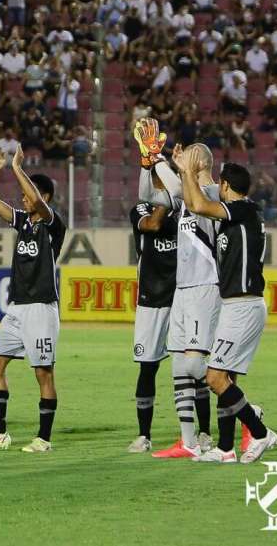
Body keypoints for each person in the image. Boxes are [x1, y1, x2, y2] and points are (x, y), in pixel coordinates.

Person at [172, 156, 277, 463]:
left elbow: (200, 206)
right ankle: (225, 448)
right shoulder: (239, 214)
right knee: (225, 378)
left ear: (227, 186)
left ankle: (259, 430)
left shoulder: (243, 209)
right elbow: (196, 203)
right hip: (237, 304)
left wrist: (189, 171)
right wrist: (188, 172)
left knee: (215, 378)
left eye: (220, 183)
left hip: (243, 306)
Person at [0, 145, 66, 453]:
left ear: (45, 197)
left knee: (43, 372)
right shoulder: (23, 221)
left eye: (29, 194)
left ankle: (44, 438)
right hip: (17, 308)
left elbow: (36, 199)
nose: (23, 199)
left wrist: (17, 168)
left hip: (41, 308)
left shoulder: (53, 224)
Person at [138, 120, 219, 459]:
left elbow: (183, 189)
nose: (181, 158)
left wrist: (159, 158)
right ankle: (187, 441)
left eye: (188, 157)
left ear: (200, 163)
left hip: (204, 287)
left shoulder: (211, 195)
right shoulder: (184, 197)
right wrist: (149, 163)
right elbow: (147, 195)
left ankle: (245, 410)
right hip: (181, 290)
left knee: (198, 368)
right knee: (177, 366)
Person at [124, 170, 178, 453]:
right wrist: (168, 199)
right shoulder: (141, 209)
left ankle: (203, 434)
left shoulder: (185, 209)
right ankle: (144, 436)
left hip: (183, 297)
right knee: (148, 367)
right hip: (151, 300)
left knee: (193, 367)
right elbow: (154, 225)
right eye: (159, 180)